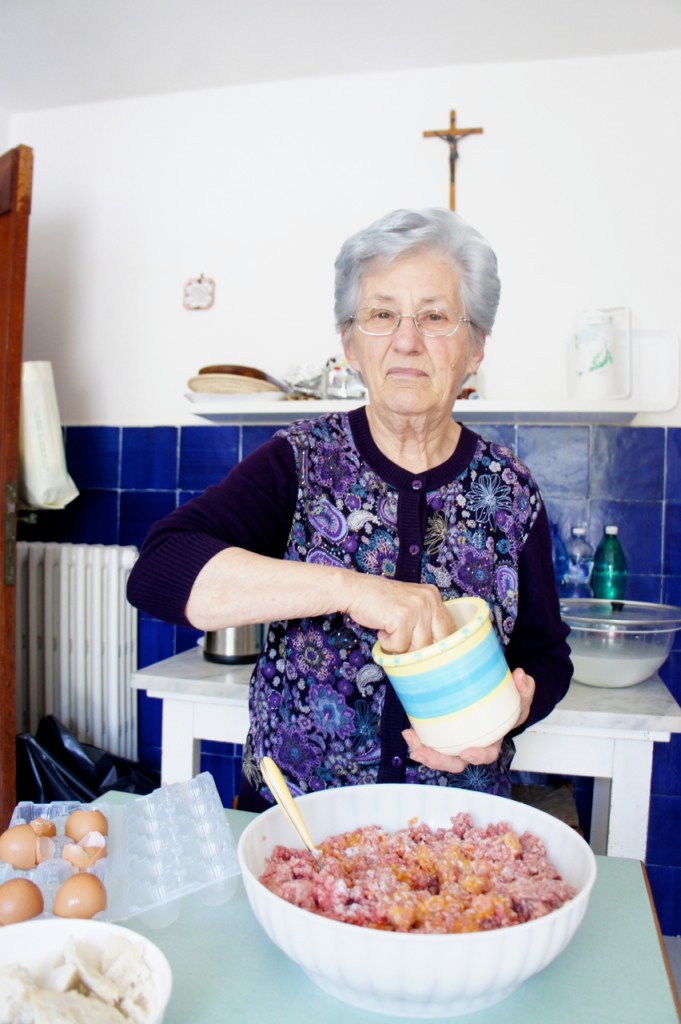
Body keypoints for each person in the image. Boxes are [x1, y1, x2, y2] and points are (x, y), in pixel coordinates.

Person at [127, 207, 572, 811]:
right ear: (351, 345)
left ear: (475, 349)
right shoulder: (300, 461)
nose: (407, 340)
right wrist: (351, 588)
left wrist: (513, 709)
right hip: (298, 829)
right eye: (382, 315)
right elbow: (159, 569)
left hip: (451, 833)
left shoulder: (512, 490)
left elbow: (546, 653)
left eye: (436, 317)